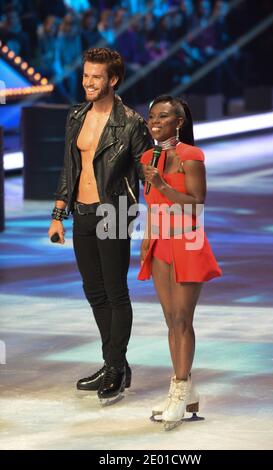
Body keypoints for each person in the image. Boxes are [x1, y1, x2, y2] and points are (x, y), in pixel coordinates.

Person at [48, 47, 152, 405]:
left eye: (96, 77)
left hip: (116, 212)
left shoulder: (132, 123)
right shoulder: (76, 115)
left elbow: (147, 176)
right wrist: (58, 215)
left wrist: (154, 226)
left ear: (113, 79)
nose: (88, 83)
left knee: (114, 292)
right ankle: (115, 365)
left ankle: (114, 367)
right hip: (82, 212)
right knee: (94, 291)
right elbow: (68, 168)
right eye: (85, 75)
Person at [138, 95, 222, 430]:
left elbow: (196, 203)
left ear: (179, 122)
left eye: (163, 117)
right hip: (160, 243)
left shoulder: (191, 156)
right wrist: (146, 236)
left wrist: (162, 185)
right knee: (171, 320)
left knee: (183, 321)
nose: (154, 122)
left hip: (188, 242)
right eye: (151, 117)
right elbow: (153, 204)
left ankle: (180, 389)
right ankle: (185, 388)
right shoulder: (148, 157)